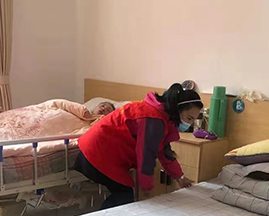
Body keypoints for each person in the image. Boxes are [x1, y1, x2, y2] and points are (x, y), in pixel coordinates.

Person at [75, 83, 203, 209]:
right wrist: (146, 186)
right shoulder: (153, 119)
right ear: (177, 109)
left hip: (92, 150)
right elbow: (146, 154)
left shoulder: (159, 115)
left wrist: (179, 177)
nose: (189, 124)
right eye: (189, 118)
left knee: (123, 195)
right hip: (96, 154)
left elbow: (164, 151)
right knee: (124, 197)